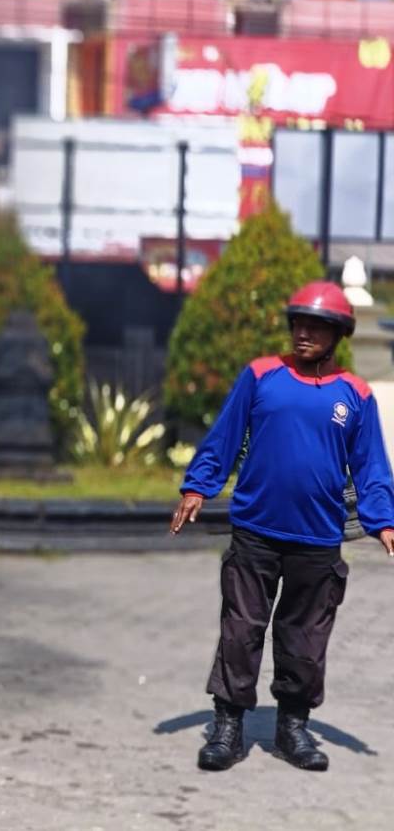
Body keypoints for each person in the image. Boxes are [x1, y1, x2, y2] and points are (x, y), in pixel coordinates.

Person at [171, 280, 394, 772]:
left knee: (305, 638)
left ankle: (293, 727)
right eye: (299, 323)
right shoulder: (261, 375)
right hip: (255, 528)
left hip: (317, 537)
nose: (304, 333)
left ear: (339, 333)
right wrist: (197, 486)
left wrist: (384, 521)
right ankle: (227, 726)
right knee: (241, 628)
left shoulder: (355, 394)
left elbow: (372, 465)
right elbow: (224, 436)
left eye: (317, 326)